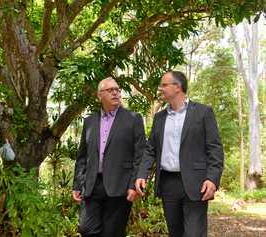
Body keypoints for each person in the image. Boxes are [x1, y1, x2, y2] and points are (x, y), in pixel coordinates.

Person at [135, 71, 224, 237]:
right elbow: (150, 149)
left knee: (194, 233)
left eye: (164, 85)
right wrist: (142, 174)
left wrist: (212, 179)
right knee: (175, 233)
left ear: (177, 87)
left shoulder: (203, 113)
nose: (160, 88)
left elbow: (215, 149)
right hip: (168, 183)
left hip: (196, 183)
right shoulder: (160, 117)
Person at [72, 77, 145, 237]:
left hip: (120, 185)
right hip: (92, 185)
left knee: (113, 232)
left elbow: (140, 155)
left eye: (117, 90)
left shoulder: (133, 119)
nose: (115, 93)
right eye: (110, 90)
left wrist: (134, 185)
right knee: (86, 229)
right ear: (99, 95)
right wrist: (78, 184)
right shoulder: (90, 121)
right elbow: (82, 156)